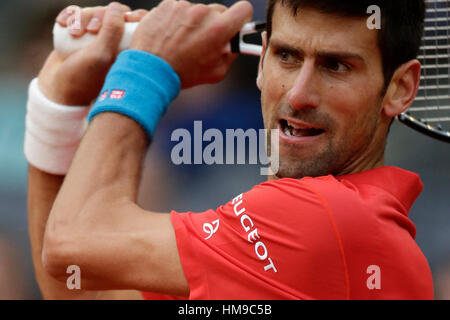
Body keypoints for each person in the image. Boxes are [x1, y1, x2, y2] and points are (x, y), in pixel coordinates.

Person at [27, 0, 434, 299]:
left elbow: (72, 243)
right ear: (261, 63)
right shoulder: (289, 244)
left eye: (336, 66)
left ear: (400, 88)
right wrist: (58, 103)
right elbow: (82, 286)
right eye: (287, 56)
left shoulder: (331, 221)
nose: (299, 93)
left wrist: (145, 67)